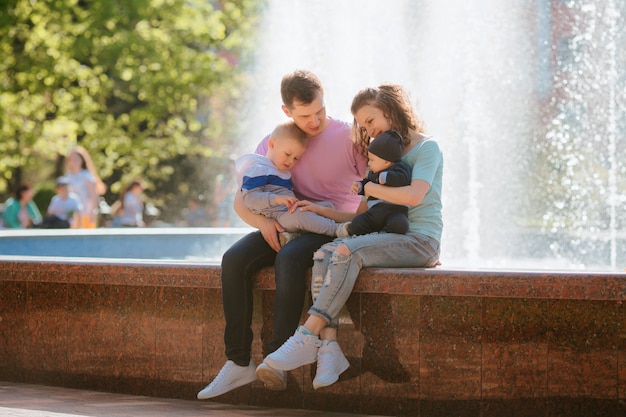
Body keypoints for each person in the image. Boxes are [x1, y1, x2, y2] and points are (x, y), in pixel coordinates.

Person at [197, 69, 367, 400]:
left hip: (327, 226)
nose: (316, 121)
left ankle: (277, 359)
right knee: (233, 260)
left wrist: (340, 220)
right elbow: (242, 199)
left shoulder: (349, 137)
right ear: (287, 111)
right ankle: (238, 361)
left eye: (320, 110)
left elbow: (369, 201)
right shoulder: (275, 139)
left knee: (289, 258)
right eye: (305, 115)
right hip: (283, 223)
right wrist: (262, 224)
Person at [261, 84, 443, 389]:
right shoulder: (381, 158)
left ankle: (307, 334)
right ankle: (329, 348)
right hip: (385, 238)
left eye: (370, 121)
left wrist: (370, 187)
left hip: (419, 240)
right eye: (362, 125)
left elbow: (414, 196)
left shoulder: (427, 148)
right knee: (326, 251)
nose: (368, 131)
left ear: (389, 109)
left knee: (348, 251)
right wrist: (320, 210)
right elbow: (362, 218)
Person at [235, 120, 351, 244]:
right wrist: (277, 199)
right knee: (300, 217)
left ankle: (293, 235)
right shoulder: (258, 168)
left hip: (288, 211)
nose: (290, 161)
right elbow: (250, 198)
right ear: (272, 144)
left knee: (326, 206)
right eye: (287, 154)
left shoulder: (280, 171)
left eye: (296, 158)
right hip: (277, 216)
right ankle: (337, 230)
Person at [345, 129, 412, 236]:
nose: (369, 163)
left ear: (386, 161)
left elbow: (403, 178)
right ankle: (370, 233)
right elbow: (367, 183)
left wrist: (386, 177)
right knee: (357, 224)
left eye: (372, 160)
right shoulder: (373, 174)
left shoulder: (400, 167)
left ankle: (384, 234)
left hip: (395, 210)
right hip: (374, 212)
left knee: (400, 225)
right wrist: (359, 186)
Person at [65, 146, 106, 228]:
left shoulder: (86, 175)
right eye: (71, 159)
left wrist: (92, 212)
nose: (74, 161)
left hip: (86, 213)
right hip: (72, 215)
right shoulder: (68, 176)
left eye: (76, 159)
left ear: (82, 160)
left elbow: (93, 195)